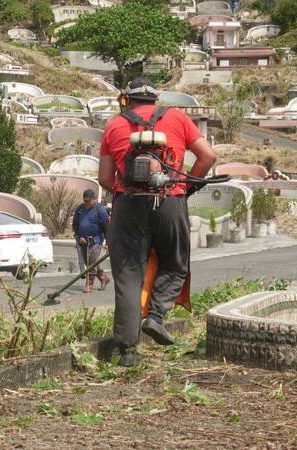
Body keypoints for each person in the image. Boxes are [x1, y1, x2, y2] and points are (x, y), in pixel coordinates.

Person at [98, 77, 216, 366]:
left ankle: (127, 351)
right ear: (155, 99)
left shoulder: (114, 125)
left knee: (128, 278)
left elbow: (104, 179)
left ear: (127, 99)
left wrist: (127, 195)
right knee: (176, 263)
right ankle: (156, 315)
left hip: (128, 205)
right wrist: (184, 188)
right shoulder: (176, 117)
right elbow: (208, 156)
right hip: (170, 200)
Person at [72, 189, 110, 293]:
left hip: (96, 240)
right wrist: (79, 237)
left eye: (89, 201)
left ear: (94, 199)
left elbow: (106, 227)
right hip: (83, 240)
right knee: (89, 262)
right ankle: (104, 278)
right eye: (85, 201)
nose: (87, 203)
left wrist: (108, 242)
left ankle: (89, 284)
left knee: (91, 262)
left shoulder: (100, 210)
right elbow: (75, 224)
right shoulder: (80, 209)